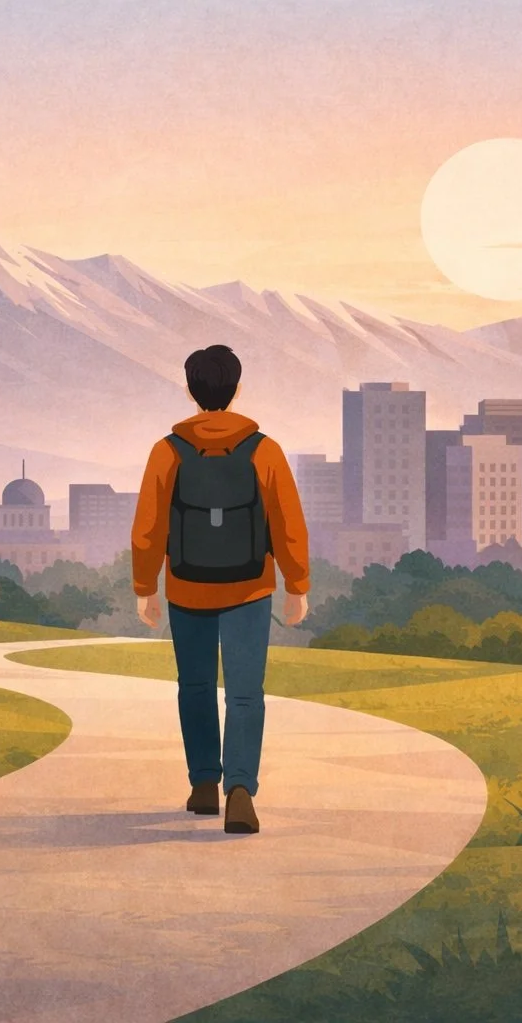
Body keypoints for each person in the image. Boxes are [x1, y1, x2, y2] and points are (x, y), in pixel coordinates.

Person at [131, 344, 311, 834]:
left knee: (194, 688)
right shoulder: (264, 449)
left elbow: (148, 527)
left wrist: (145, 586)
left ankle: (203, 784)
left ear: (191, 391)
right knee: (246, 694)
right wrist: (297, 584)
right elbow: (287, 521)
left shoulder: (167, 450)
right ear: (237, 389)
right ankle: (240, 792)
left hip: (187, 589)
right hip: (250, 590)